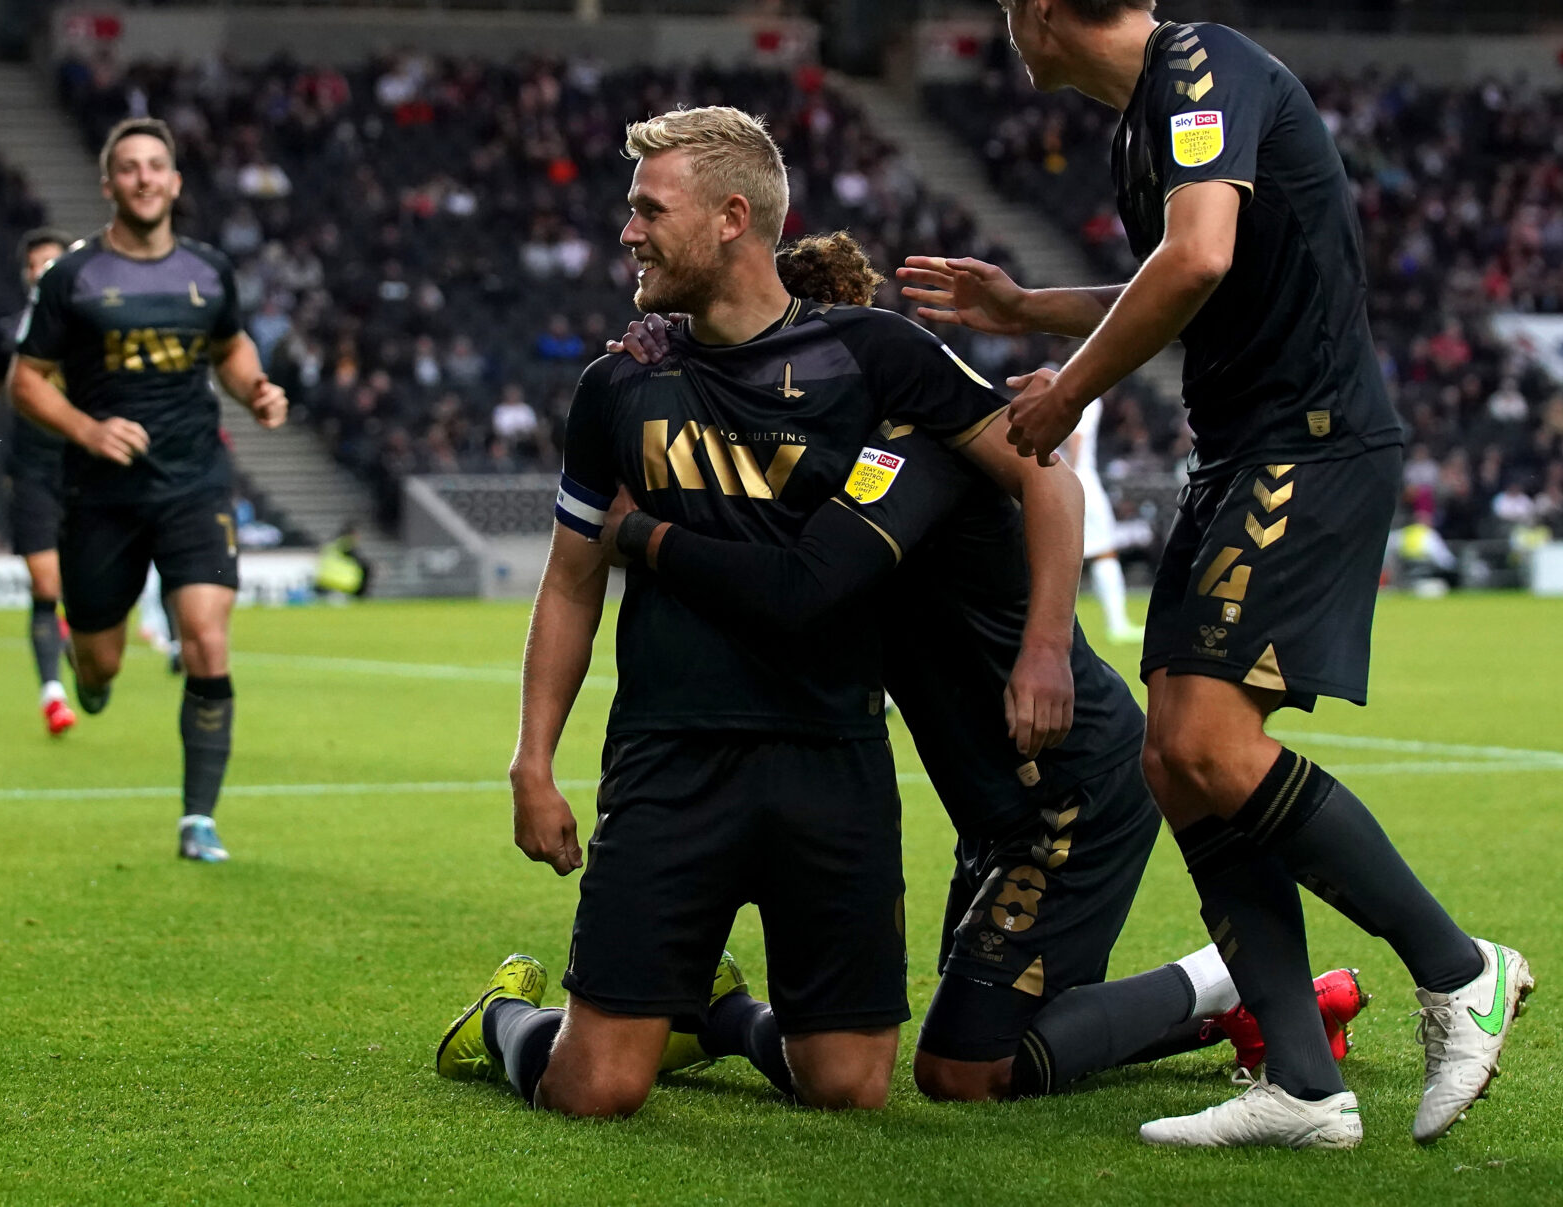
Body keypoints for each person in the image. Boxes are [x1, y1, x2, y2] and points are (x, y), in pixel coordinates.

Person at [897, 0, 1530, 1149]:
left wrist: (1067, 390)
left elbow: (1193, 261)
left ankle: (1460, 969)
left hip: (1309, 445)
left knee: (1208, 745)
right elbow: (1188, 272)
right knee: (1174, 760)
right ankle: (1300, 1082)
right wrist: (1028, 309)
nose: (1004, 30)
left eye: (1002, 3)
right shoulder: (1145, 122)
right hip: (1239, 451)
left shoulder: (1201, 63)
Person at [602, 234, 1366, 1104]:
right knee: (998, 1020)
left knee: (963, 1066)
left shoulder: (910, 446)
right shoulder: (795, 471)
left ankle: (1221, 983)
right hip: (997, 807)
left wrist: (640, 535)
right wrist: (664, 349)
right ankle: (1248, 1007)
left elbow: (813, 582)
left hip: (1070, 795)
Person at [435, 106, 1081, 1118]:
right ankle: (504, 1019)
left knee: (847, 1085)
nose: (628, 232)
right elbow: (569, 582)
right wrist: (532, 759)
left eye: (650, 210)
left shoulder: (873, 355)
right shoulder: (620, 381)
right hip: (670, 755)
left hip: (833, 752)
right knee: (595, 1088)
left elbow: (1042, 471)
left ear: (731, 217)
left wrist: (1045, 646)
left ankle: (720, 1014)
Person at [11, 118, 288, 863]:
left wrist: (255, 389)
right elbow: (25, 381)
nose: (143, 178)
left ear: (174, 182)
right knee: (100, 661)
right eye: (129, 167)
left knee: (206, 637)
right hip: (100, 494)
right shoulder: (71, 278)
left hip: (194, 481)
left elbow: (230, 346)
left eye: (155, 166)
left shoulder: (207, 270)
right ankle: (90, 681)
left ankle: (198, 819)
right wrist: (88, 429)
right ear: (110, 185)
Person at [0, 227, 81, 737]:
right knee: (46, 583)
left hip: (87, 471)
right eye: (35, 265)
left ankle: (81, 637)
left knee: (86, 583)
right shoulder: (11, 333)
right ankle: (53, 693)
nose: (42, 271)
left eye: (52, 262)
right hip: (31, 470)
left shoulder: (94, 328)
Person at [1060, 394, 1140, 642]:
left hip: (1051, 478)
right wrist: (1068, 479)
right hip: (1080, 480)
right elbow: (1077, 438)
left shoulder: (1052, 388)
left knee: (1054, 554)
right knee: (1105, 552)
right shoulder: (1086, 395)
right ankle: (1117, 625)